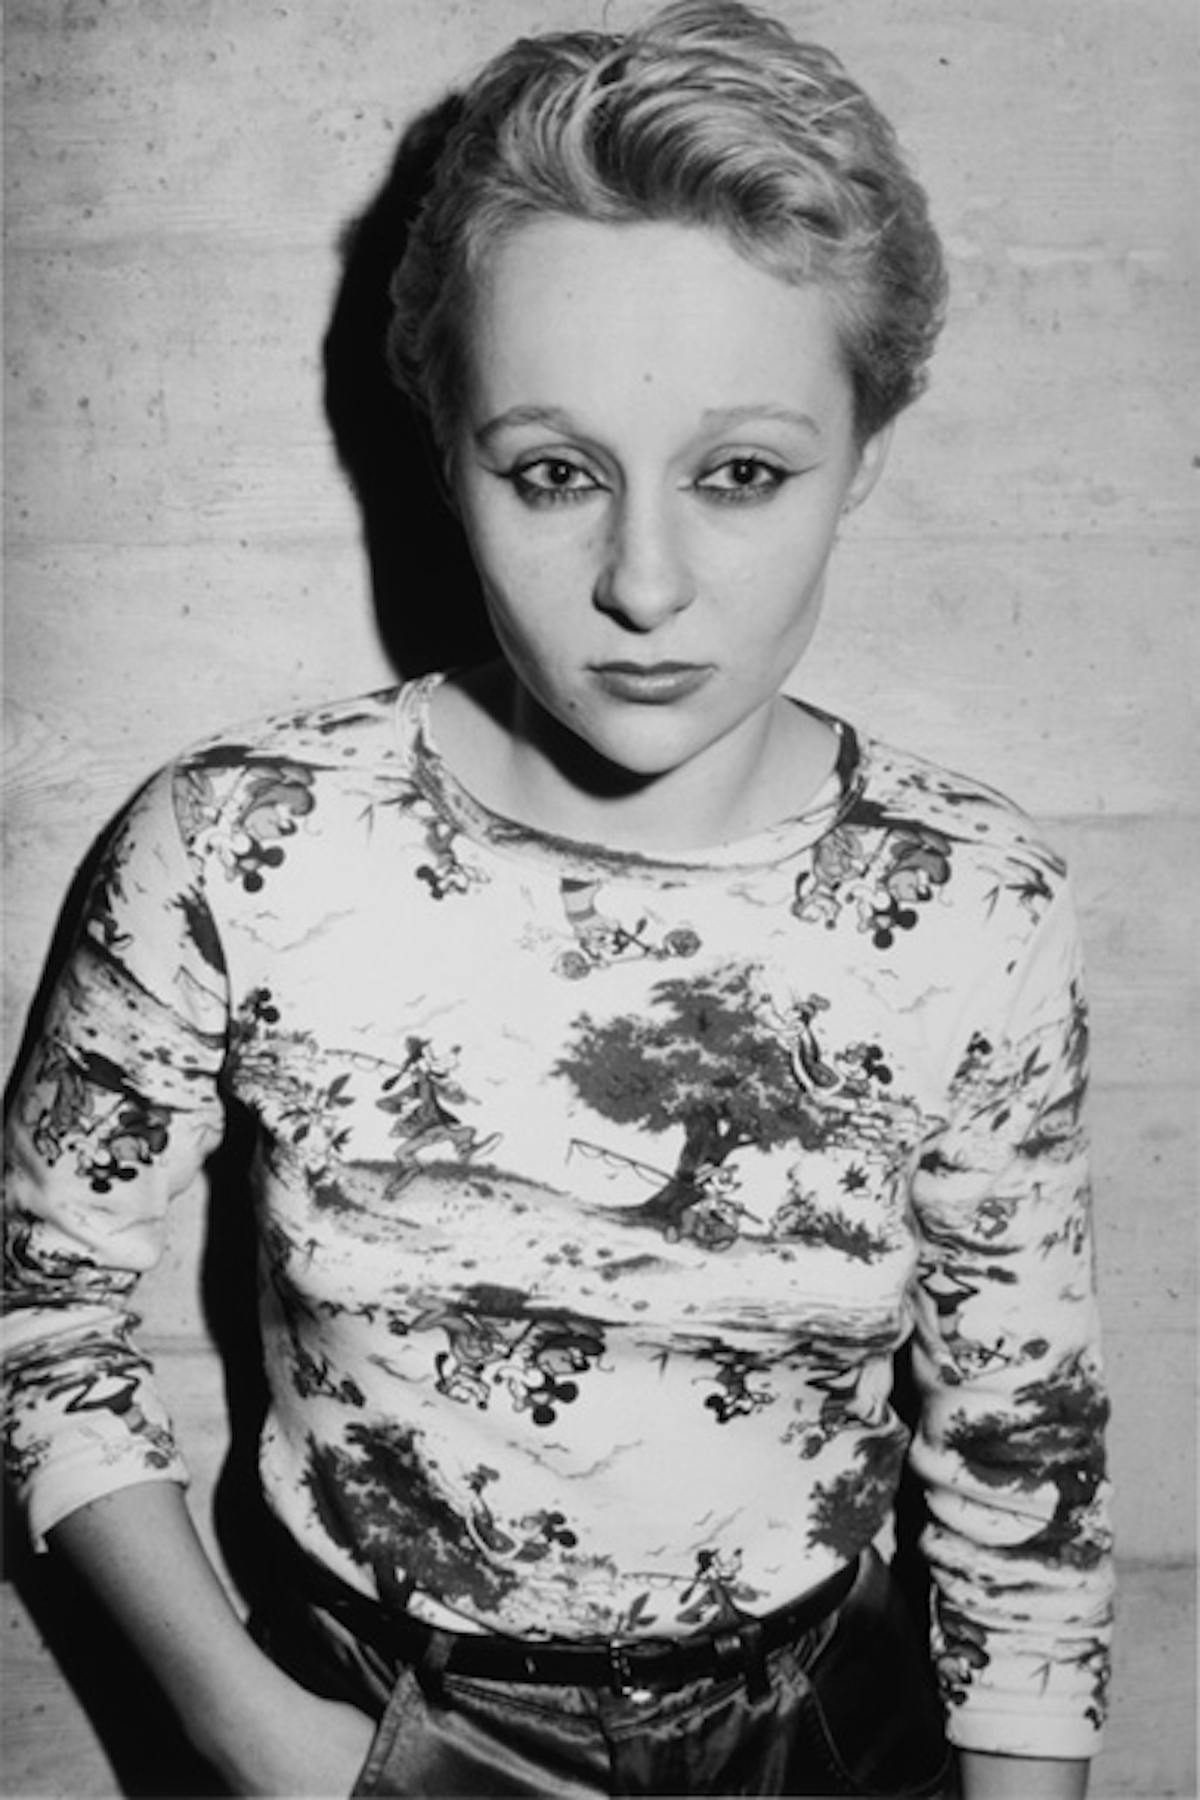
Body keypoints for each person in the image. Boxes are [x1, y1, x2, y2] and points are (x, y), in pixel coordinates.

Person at [2, 3, 1114, 1796]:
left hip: (836, 1733)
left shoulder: (975, 901)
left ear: (865, 456)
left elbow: (1023, 1450)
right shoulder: (238, 843)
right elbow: (35, 1313)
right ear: (445, 451)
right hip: (372, 1724)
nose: (644, 585)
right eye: (554, 473)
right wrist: (252, 1732)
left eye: (740, 473)